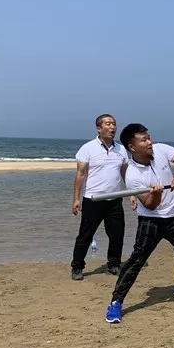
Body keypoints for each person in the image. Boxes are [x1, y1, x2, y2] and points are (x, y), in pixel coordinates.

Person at [105, 124, 174, 324]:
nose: (149, 142)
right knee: (136, 261)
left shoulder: (161, 150)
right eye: (144, 140)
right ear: (132, 147)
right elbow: (150, 205)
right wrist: (156, 194)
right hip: (151, 221)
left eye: (148, 137)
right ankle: (116, 303)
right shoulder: (133, 175)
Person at [70, 114, 132, 281]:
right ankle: (77, 266)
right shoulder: (88, 148)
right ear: (99, 128)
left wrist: (132, 193)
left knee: (117, 234)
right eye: (108, 124)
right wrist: (76, 199)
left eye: (114, 124)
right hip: (93, 200)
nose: (112, 127)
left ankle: (113, 264)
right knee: (85, 235)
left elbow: (125, 173)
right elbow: (80, 174)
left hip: (115, 199)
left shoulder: (121, 149)